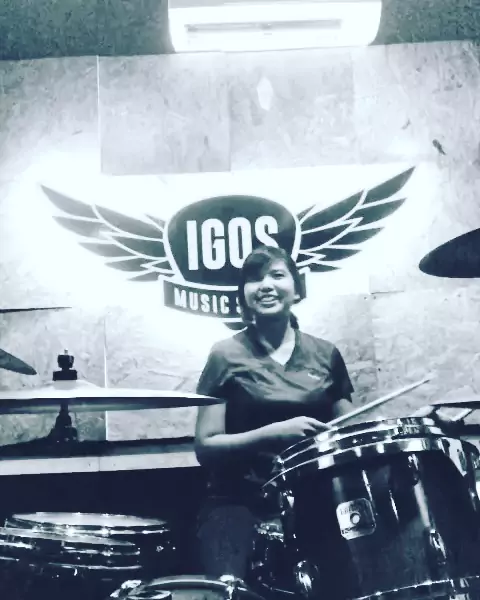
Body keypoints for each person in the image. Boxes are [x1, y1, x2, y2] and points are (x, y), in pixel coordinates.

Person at [194, 245, 354, 581]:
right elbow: (205, 447)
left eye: (277, 275)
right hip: (237, 502)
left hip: (317, 499)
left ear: (296, 289)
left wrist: (419, 424)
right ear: (243, 295)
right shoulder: (224, 355)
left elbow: (350, 432)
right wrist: (273, 434)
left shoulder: (326, 354)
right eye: (254, 279)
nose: (265, 285)